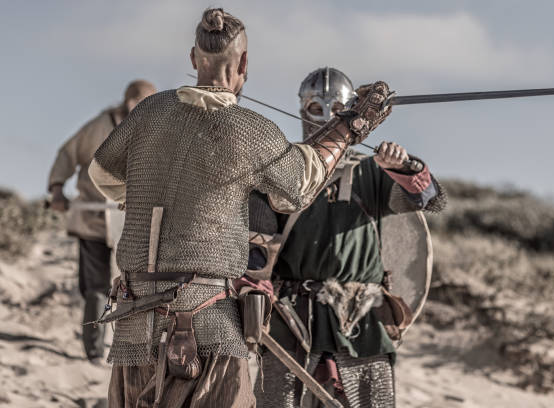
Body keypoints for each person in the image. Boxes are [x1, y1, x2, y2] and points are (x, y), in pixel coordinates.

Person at [88, 9, 393, 408]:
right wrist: (351, 125)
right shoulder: (249, 130)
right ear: (244, 63)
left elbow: (102, 174)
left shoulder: (149, 112)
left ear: (194, 59)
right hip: (205, 321)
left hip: (134, 312)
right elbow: (300, 187)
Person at [250, 67, 446, 407]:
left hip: (360, 319)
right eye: (315, 108)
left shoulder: (372, 171)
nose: (326, 117)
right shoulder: (284, 171)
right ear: (301, 110)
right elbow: (254, 247)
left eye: (337, 109)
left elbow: (428, 198)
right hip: (292, 316)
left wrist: (401, 167)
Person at [47, 79, 156, 363]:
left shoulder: (150, 134)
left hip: (128, 223)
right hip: (93, 221)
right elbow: (67, 154)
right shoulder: (99, 127)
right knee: (95, 287)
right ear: (130, 105)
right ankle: (94, 349)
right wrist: (58, 188)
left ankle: (119, 344)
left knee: (128, 284)